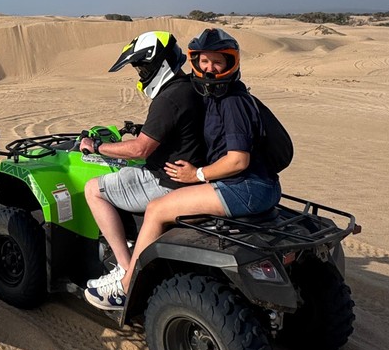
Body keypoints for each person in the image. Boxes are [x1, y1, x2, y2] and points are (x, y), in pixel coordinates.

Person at [85, 27, 282, 311]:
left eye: (217, 61)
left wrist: (197, 175)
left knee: (147, 206)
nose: (210, 68)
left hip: (243, 186)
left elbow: (238, 160)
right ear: (193, 61)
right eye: (204, 61)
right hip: (251, 183)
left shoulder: (230, 102)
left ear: (231, 62)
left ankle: (126, 284)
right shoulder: (207, 93)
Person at [79, 31, 205, 300]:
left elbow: (139, 150)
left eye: (143, 67)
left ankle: (125, 272)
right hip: (193, 177)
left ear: (159, 64)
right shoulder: (190, 86)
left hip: (167, 182)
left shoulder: (168, 98)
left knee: (93, 189)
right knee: (124, 174)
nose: (140, 73)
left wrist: (97, 147)